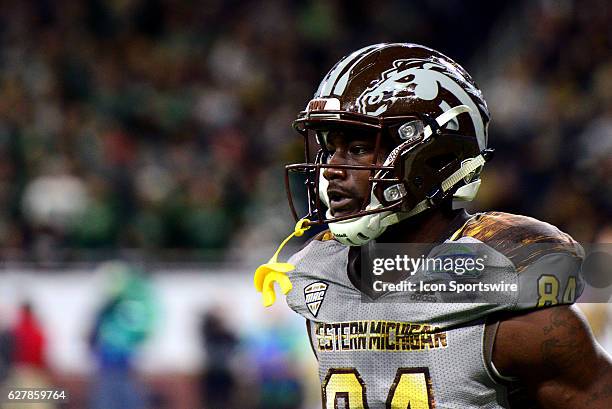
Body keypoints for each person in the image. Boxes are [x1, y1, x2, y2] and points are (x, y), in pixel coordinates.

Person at [254, 43, 612, 408]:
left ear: (435, 157)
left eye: (359, 148)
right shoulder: (325, 279)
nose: (331, 168)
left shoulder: (507, 296)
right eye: (331, 148)